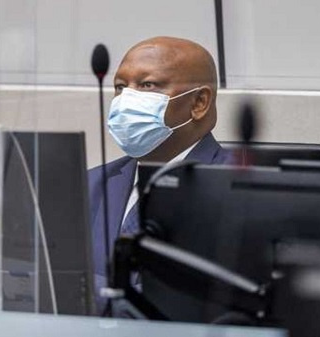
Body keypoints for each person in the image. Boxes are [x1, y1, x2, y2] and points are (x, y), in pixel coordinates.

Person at [88, 36, 234, 310]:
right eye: (120, 87)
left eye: (147, 85)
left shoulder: (237, 190)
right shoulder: (90, 184)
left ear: (199, 102)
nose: (126, 99)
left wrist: (89, 291)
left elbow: (192, 299)